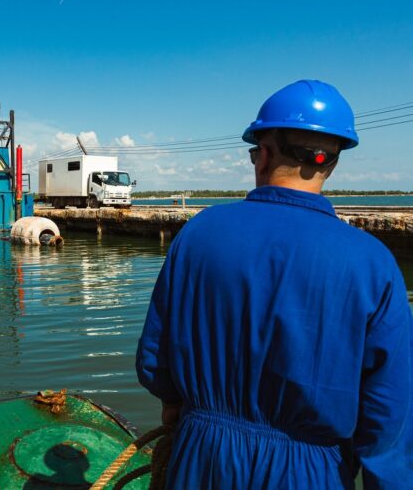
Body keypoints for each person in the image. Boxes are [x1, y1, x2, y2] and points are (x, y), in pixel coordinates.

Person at [136, 80, 412, 489]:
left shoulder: (200, 233)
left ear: (263, 154)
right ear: (332, 163)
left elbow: (156, 360)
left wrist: (177, 408)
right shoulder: (374, 264)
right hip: (311, 473)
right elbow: (388, 420)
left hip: (202, 457)